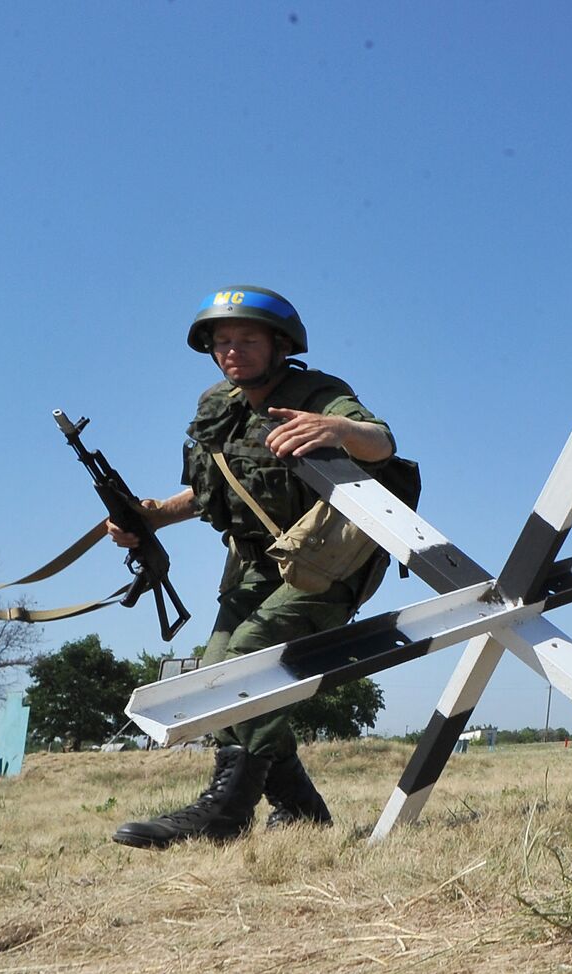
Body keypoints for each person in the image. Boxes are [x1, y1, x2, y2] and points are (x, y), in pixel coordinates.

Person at [110, 286, 407, 849]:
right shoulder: (216, 407)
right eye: (222, 341)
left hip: (322, 564)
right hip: (252, 568)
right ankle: (299, 807)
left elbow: (382, 442)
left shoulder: (318, 392)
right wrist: (149, 518)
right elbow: (206, 493)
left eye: (247, 338)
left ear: (279, 345)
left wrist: (340, 431)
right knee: (211, 679)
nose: (233, 350)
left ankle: (225, 812)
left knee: (246, 664)